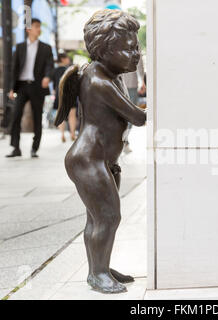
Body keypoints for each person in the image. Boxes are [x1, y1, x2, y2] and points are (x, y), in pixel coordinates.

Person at [55, 10, 146, 293]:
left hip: (103, 160)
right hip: (88, 159)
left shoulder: (108, 72)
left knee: (97, 218)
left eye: (137, 47)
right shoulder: (99, 80)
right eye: (129, 48)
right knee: (107, 216)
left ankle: (101, 266)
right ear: (105, 50)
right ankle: (97, 273)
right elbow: (137, 117)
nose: (136, 54)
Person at [6, 18, 54, 158]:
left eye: (39, 26)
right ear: (28, 29)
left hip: (36, 86)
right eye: (36, 26)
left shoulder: (46, 48)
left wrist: (47, 77)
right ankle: (16, 148)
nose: (39, 29)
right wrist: (11, 88)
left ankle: (34, 148)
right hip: (21, 86)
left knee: (37, 117)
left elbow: (50, 65)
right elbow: (13, 69)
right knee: (15, 116)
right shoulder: (20, 47)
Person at [51, 52, 77, 142]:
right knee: (72, 114)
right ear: (62, 59)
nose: (68, 60)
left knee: (60, 114)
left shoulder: (54, 70)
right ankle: (72, 133)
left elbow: (54, 86)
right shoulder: (69, 70)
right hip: (70, 93)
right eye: (67, 58)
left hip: (59, 95)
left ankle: (62, 134)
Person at [122, 57, 145, 153]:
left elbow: (139, 66)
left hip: (129, 85)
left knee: (130, 116)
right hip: (122, 85)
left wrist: (142, 82)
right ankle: (123, 140)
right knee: (129, 115)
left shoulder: (134, 47)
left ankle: (124, 140)